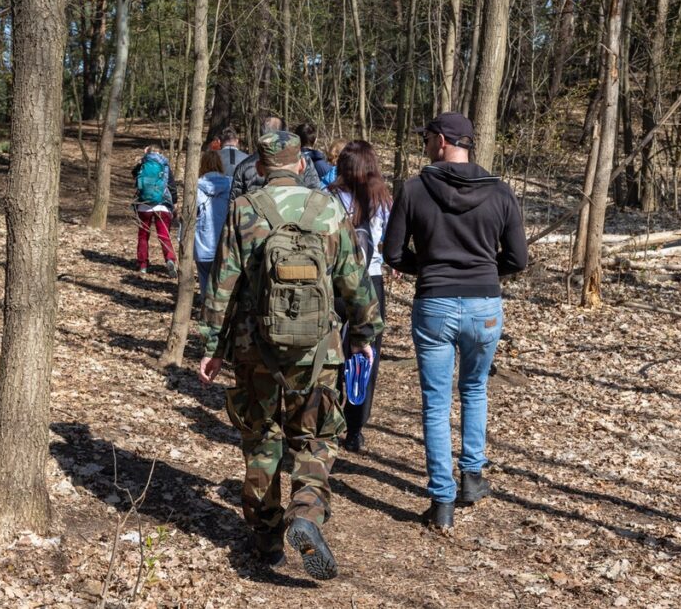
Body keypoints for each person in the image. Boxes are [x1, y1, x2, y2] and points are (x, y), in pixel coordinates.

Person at [199, 131, 383, 580]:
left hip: (253, 349)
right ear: (301, 164)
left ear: (260, 168)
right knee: (315, 437)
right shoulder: (328, 209)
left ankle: (266, 538)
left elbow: (223, 284)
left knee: (261, 439)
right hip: (318, 351)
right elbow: (353, 281)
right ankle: (306, 513)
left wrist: (212, 347)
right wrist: (364, 333)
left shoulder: (244, 210)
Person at [383, 112, 527, 530]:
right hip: (484, 306)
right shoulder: (500, 192)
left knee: (436, 401)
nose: (424, 143)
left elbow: (392, 253)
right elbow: (518, 258)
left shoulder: (413, 189)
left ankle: (442, 501)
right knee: (475, 389)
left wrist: (430, 266)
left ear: (443, 140)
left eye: (427, 137)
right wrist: (480, 270)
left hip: (435, 304)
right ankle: (471, 477)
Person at [327, 140, 392, 452]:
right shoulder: (382, 199)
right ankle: (356, 428)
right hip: (371, 282)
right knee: (366, 355)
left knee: (330, 351)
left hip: (335, 283)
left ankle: (328, 417)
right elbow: (389, 242)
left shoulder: (330, 198)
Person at [229, 115, 322, 199]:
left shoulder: (244, 166)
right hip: (297, 215)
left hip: (257, 216)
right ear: (285, 134)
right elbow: (316, 196)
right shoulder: (302, 161)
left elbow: (234, 207)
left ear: (262, 134)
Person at [133, 146, 179, 277]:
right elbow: (172, 186)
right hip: (162, 205)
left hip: (144, 205)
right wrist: (174, 203)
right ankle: (170, 259)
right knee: (164, 235)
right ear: (160, 153)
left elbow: (135, 177)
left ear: (148, 152)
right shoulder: (165, 166)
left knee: (143, 235)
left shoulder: (143, 164)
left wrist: (142, 159)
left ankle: (142, 264)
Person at [195, 149, 232, 298]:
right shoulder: (230, 183)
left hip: (201, 242)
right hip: (224, 242)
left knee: (204, 279)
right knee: (222, 282)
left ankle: (205, 311)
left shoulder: (195, 186)